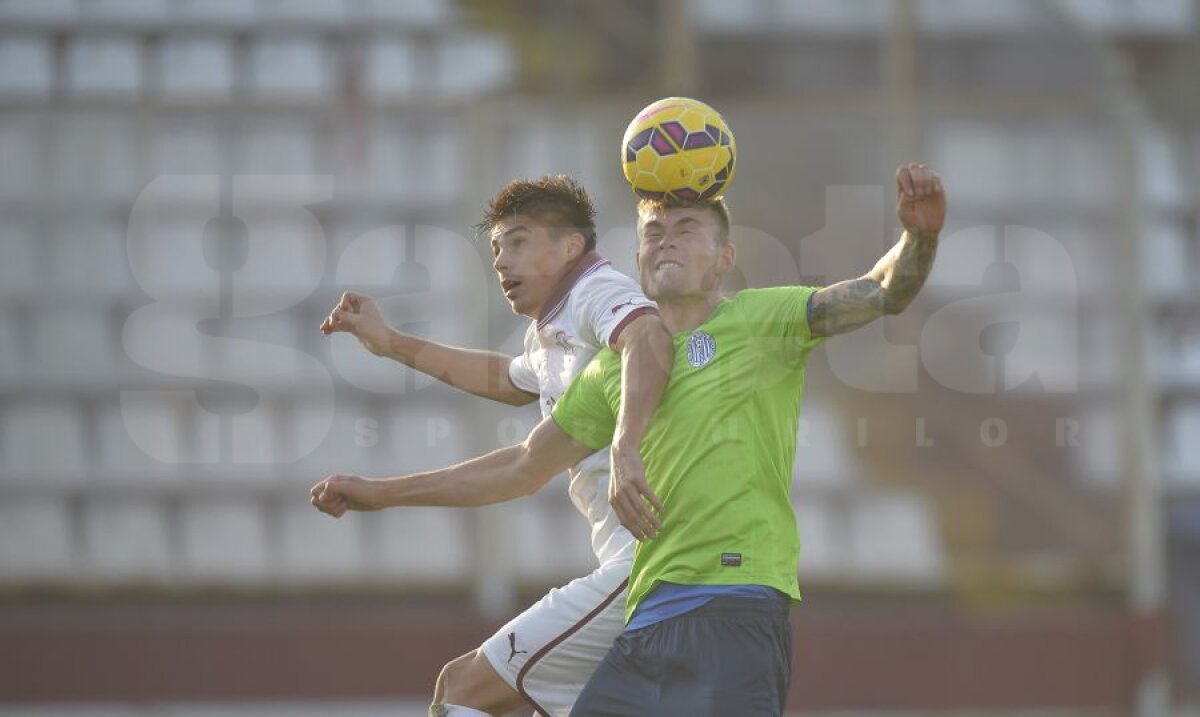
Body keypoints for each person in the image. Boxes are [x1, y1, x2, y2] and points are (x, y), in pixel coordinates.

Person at [313, 162, 946, 715]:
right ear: (638, 258)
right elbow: (522, 464)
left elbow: (881, 293)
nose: (666, 242)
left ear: (725, 259)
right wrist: (383, 492)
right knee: (464, 690)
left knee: (466, 688)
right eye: (653, 233)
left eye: (688, 230)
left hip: (734, 603)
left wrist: (918, 236)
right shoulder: (602, 370)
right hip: (647, 615)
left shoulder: (763, 318)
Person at [315, 175, 674, 717]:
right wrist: (391, 344)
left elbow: (644, 331)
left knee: (461, 689)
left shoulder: (598, 292)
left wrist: (625, 445)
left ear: (571, 246)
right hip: (638, 564)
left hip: (643, 566)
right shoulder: (553, 330)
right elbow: (507, 379)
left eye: (519, 241)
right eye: (497, 248)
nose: (502, 261)